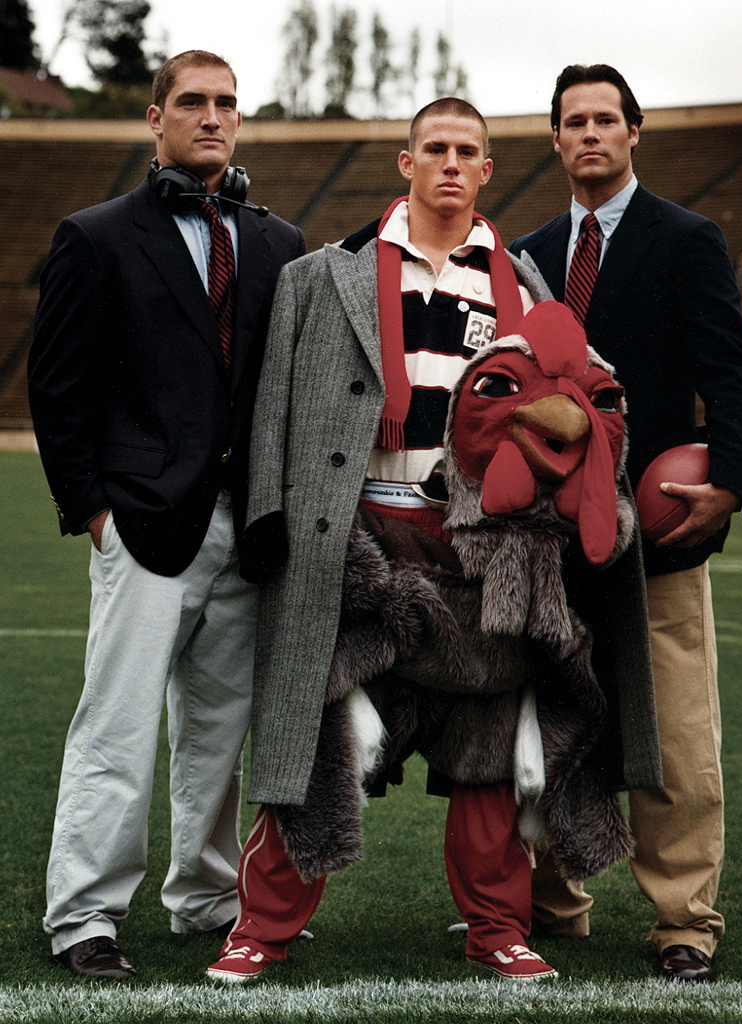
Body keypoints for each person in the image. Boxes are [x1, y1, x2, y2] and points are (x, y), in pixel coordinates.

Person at [204, 97, 659, 986]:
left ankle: (496, 926)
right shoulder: (322, 275)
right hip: (355, 536)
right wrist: (268, 516)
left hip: (475, 547)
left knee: (488, 740)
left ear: (487, 171)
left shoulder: (524, 286)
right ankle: (263, 925)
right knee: (314, 736)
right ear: (403, 162)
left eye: (468, 152)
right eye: (435, 149)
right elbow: (272, 408)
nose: (451, 163)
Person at [27, 50, 306, 980]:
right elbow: (57, 388)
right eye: (193, 101)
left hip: (247, 529)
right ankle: (85, 917)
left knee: (220, 735)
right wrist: (91, 510)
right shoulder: (96, 235)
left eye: (228, 102)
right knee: (116, 726)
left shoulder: (278, 243)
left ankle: (209, 897)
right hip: (143, 526)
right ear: (156, 119)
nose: (213, 116)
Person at [509, 64, 742, 983]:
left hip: (658, 527)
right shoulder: (532, 253)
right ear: (557, 138)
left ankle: (683, 916)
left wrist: (733, 479)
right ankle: (552, 901)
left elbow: (728, 370)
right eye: (574, 121)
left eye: (606, 119)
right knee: (550, 720)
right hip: (555, 534)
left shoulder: (687, 239)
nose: (590, 134)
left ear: (634, 133)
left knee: (679, 730)